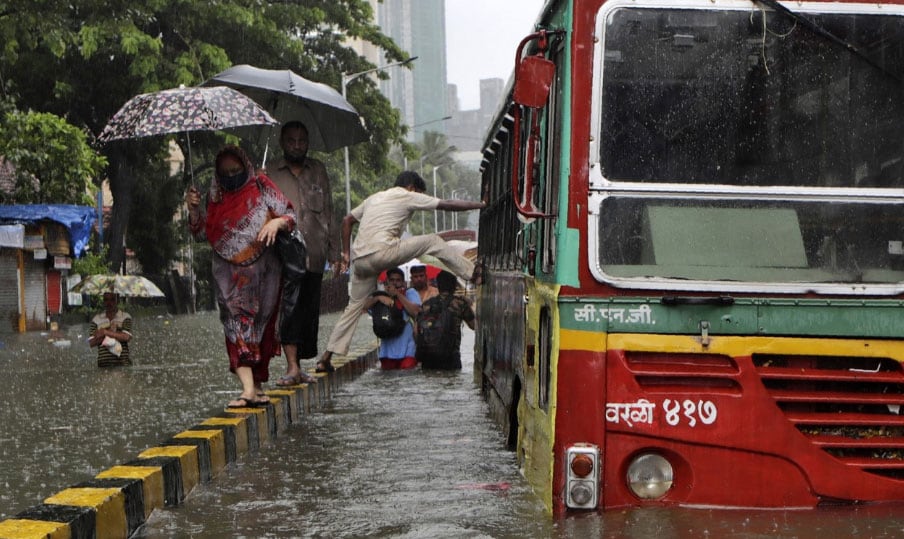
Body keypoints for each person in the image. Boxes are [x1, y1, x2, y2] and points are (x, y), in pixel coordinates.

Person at [315, 170, 485, 373]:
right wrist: (481, 204)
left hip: (360, 260)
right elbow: (447, 205)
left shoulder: (374, 198)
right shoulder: (407, 195)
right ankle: (472, 273)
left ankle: (325, 358)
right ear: (412, 188)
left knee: (352, 309)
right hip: (383, 252)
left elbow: (346, 221)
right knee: (432, 241)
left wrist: (345, 253)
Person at [185, 144, 296, 409]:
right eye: (225, 173)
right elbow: (202, 233)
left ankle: (256, 388)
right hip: (229, 279)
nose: (231, 176)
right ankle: (247, 389)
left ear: (245, 167)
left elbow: (291, 215)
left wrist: (275, 222)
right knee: (236, 326)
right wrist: (192, 211)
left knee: (262, 328)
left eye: (236, 170)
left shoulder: (261, 185)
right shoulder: (216, 196)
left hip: (266, 273)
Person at [266, 121, 339, 386]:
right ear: (282, 143)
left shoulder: (318, 170)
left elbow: (329, 211)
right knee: (290, 309)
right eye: (291, 141)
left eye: (302, 141)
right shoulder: (270, 172)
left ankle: (300, 366)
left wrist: (336, 252)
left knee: (308, 311)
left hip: (315, 253)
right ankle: (292, 366)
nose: (297, 146)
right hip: (283, 255)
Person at [416, 270, 476, 370]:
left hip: (428, 357)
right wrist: (469, 304)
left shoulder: (426, 304)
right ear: (454, 286)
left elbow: (416, 331)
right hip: (451, 357)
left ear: (438, 285)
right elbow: (474, 326)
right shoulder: (460, 304)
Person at [364, 267, 421, 370]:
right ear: (387, 281)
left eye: (398, 280)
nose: (395, 283)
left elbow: (416, 312)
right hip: (386, 352)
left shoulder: (410, 293)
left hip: (408, 351)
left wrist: (398, 294)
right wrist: (378, 298)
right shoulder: (380, 296)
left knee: (408, 376)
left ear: (403, 282)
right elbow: (363, 307)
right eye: (392, 280)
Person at [88, 292, 132, 367]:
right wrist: (114, 333)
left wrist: (105, 332)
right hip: (103, 365)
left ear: (117, 300)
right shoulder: (96, 319)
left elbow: (126, 337)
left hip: (122, 364)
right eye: (106, 300)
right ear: (103, 301)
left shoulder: (125, 317)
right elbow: (91, 342)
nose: (109, 303)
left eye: (112, 299)